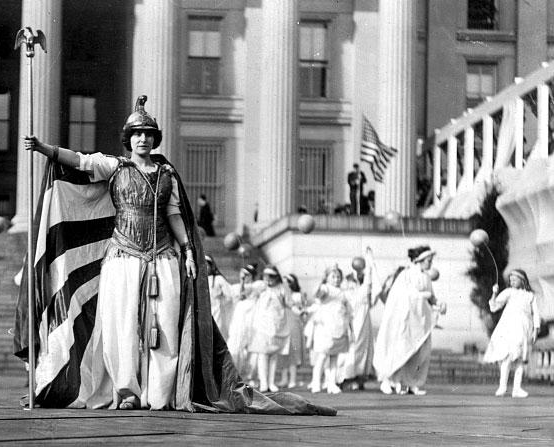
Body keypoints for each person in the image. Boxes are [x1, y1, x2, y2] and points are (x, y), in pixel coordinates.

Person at [18, 96, 333, 415]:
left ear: (155, 138)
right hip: (122, 258)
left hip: (163, 258)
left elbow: (174, 215)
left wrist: (188, 252)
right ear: (128, 139)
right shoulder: (116, 166)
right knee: (122, 326)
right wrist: (44, 147)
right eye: (137, 133)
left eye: (148, 133)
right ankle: (127, 391)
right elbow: (81, 161)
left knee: (165, 327)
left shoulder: (166, 173)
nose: (143, 138)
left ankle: (161, 392)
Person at [373, 245, 442, 395]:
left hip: (421, 322)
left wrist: (439, 305)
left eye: (431, 260)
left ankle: (412, 383)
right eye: (428, 260)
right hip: (405, 321)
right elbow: (400, 296)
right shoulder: (406, 274)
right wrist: (421, 295)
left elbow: (432, 298)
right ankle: (388, 380)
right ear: (420, 260)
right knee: (399, 351)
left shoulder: (426, 277)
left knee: (420, 354)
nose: (430, 263)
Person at [482, 269, 541, 398]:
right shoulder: (509, 292)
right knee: (507, 357)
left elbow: (535, 313)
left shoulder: (530, 296)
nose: (512, 281)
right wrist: (494, 293)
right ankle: (502, 386)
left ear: (523, 280)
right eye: (511, 280)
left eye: (515, 279)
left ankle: (517, 388)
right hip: (509, 327)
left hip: (524, 328)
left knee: (520, 358)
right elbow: (494, 306)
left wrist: (536, 329)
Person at [305, 266, 352, 394]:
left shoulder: (342, 292)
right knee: (322, 356)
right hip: (326, 327)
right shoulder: (326, 288)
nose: (336, 279)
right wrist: (321, 285)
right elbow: (318, 293)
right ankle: (316, 382)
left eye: (338, 277)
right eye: (333, 277)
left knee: (334, 358)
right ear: (327, 278)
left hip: (339, 327)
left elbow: (347, 310)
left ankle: (331, 383)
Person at [337, 248, 377, 390]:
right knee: (351, 348)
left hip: (364, 320)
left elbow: (370, 283)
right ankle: (345, 378)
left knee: (364, 349)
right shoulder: (348, 286)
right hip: (352, 319)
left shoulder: (365, 286)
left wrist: (370, 260)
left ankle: (360, 377)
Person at [249, 265, 290, 393]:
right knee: (263, 354)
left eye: (272, 277)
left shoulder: (281, 289)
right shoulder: (261, 287)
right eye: (267, 277)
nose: (269, 280)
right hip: (263, 325)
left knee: (273, 355)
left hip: (277, 325)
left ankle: (271, 382)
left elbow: (288, 302)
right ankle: (263, 382)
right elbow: (249, 291)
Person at [227, 264, 260, 386]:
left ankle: (251, 376)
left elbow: (246, 291)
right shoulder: (237, 287)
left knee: (251, 349)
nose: (244, 277)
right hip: (239, 320)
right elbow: (240, 294)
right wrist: (241, 281)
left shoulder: (257, 285)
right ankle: (236, 375)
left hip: (253, 319)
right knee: (235, 346)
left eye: (247, 275)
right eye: (243, 274)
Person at [277, 273, 306, 389]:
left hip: (294, 324)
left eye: (289, 282)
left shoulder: (298, 295)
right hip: (284, 323)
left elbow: (301, 309)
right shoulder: (281, 294)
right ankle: (284, 378)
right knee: (284, 351)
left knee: (294, 351)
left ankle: (293, 379)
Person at [206, 256, 235, 342]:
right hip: (205, 313)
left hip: (217, 312)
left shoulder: (219, 279)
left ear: (212, 266)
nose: (205, 267)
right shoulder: (200, 280)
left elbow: (229, 296)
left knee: (217, 334)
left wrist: (220, 299)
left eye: (207, 265)